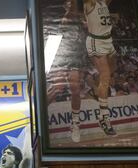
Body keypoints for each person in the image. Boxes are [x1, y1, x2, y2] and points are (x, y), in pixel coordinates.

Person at [47, 0, 88, 142]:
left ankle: (75, 123)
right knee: (57, 89)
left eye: (73, 3)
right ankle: (38, 113)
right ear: (65, 7)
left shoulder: (82, 20)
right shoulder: (66, 18)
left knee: (75, 89)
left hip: (77, 57)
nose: (71, 5)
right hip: (63, 56)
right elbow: (74, 9)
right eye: (69, 3)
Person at [84, 0, 117, 135]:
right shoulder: (90, 3)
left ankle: (96, 88)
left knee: (111, 72)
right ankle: (104, 118)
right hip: (96, 41)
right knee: (105, 77)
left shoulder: (103, 2)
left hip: (108, 40)